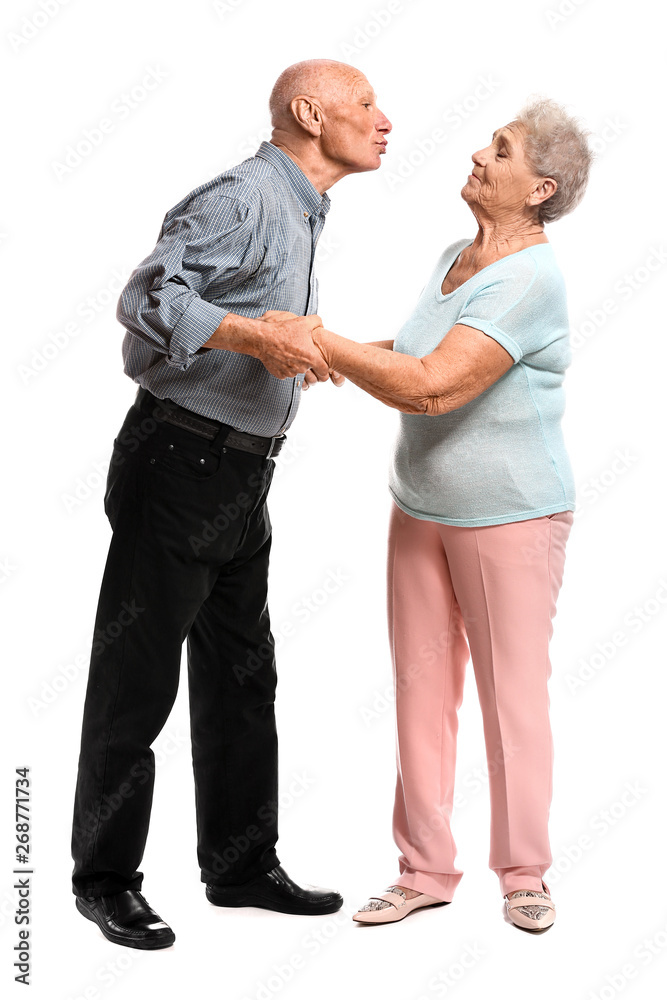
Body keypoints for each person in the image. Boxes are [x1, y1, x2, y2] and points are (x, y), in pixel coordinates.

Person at [70, 58, 391, 950]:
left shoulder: (302, 208)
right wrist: (258, 335)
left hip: (242, 475)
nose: (383, 118)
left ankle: (241, 869)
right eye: (364, 103)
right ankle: (102, 880)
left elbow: (267, 324)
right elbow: (147, 296)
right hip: (178, 461)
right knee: (137, 679)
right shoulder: (248, 196)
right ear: (308, 113)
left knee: (243, 679)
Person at [301, 98, 592, 931]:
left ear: (538, 188)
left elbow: (434, 389)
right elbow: (412, 354)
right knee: (419, 693)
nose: (477, 154)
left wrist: (319, 341)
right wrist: (338, 351)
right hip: (419, 508)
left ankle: (523, 873)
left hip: (509, 518)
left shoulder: (532, 277)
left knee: (511, 701)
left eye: (499, 151)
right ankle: (424, 870)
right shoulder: (454, 256)